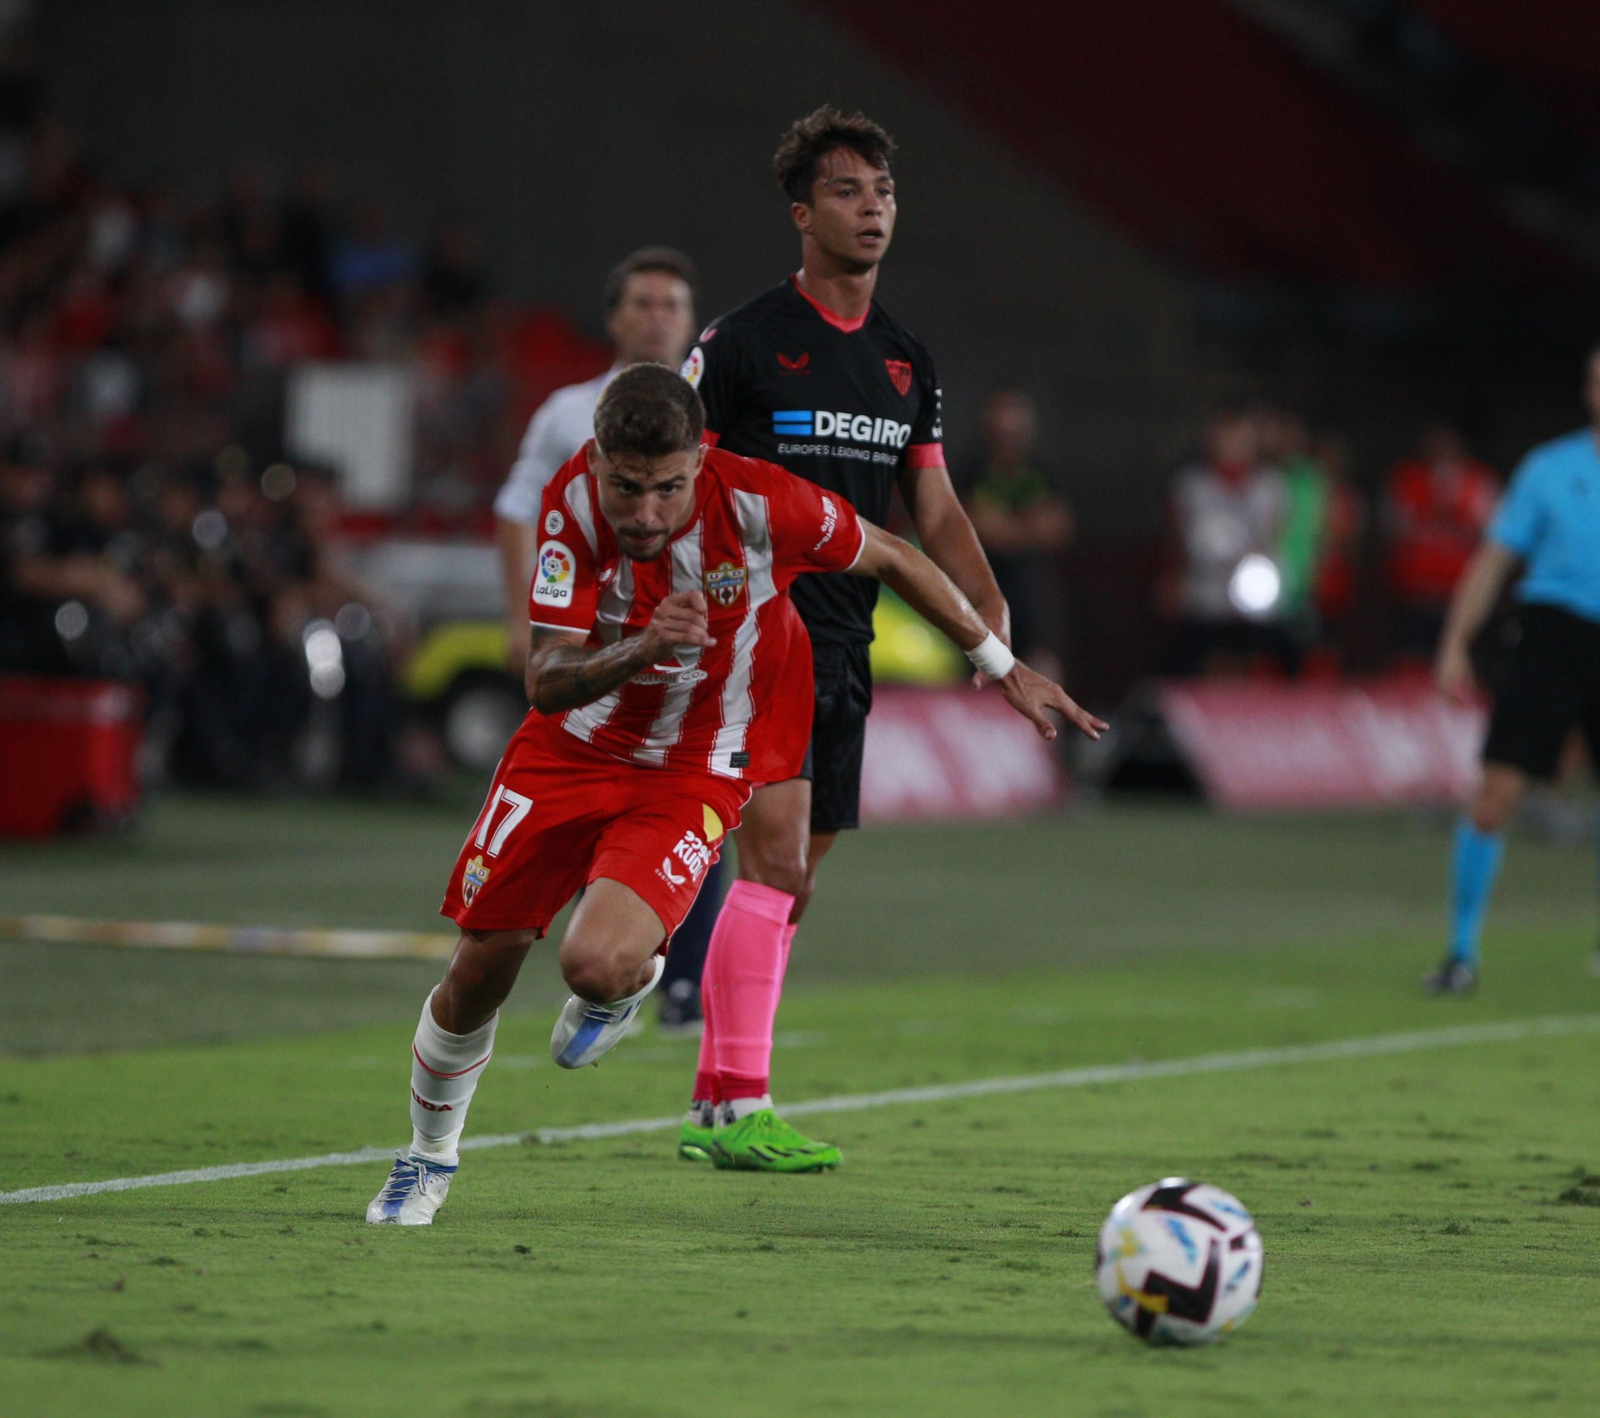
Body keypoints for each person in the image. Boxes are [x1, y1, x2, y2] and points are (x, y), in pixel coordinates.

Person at [365, 364, 1103, 1224]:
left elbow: (896, 555)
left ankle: (628, 982)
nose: (644, 513)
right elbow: (546, 677)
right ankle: (426, 1157)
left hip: (694, 766)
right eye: (626, 488)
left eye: (668, 490)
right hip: (567, 752)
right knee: (479, 967)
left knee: (594, 962)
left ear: (700, 462)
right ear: (598, 462)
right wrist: (642, 647)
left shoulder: (762, 501)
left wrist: (1001, 667)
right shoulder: (569, 504)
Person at [674, 106, 1014, 1170]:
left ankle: (705, 1067)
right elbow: (670, 479)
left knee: (794, 881)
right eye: (847, 192)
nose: (872, 210)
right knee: (770, 860)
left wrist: (986, 607)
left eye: (884, 193)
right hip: (753, 634)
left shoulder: (907, 361)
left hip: (844, 644)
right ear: (801, 213)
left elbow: (935, 505)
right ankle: (735, 1104)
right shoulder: (736, 344)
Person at [492, 247, 713, 1030]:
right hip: (596, 640)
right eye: (643, 302)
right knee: (596, 793)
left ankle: (679, 981)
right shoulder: (566, 412)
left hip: (691, 640)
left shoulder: (715, 408)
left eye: (672, 304)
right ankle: (618, 963)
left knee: (696, 790)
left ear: (691, 322)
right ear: (616, 317)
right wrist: (527, 619)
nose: (658, 316)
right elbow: (519, 508)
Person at [1425, 345, 1600, 994]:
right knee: (1497, 793)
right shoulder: (1550, 470)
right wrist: (1455, 641)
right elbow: (1493, 561)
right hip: (1552, 633)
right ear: (1588, 390)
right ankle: (1460, 951)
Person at [1159, 407, 1293, 678]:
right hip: (1204, 591)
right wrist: (1172, 578)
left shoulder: (1270, 485)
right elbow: (1176, 538)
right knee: (1203, 664)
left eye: (1238, 438)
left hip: (1251, 594)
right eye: (1225, 437)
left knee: (1252, 662)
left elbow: (1275, 534)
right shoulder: (1190, 484)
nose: (1231, 445)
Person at [960, 387, 1074, 672]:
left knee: (1044, 677)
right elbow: (980, 530)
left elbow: (1059, 529)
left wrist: (1007, 526)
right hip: (978, 604)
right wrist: (1029, 527)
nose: (1008, 440)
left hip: (1033, 605)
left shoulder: (1041, 473)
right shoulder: (972, 473)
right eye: (1002, 433)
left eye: (1016, 432)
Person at [1384, 425, 1499, 661]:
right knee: (1412, 656)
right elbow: (1392, 529)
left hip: (1461, 591)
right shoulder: (1409, 480)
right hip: (1415, 590)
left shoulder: (1478, 482)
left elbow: (1495, 536)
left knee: (1460, 655)